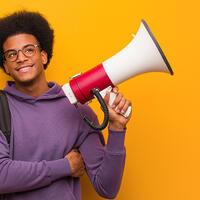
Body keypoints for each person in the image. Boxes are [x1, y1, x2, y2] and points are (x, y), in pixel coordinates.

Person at [0, 10, 132, 199]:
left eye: (29, 49)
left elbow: (107, 187)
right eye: (12, 54)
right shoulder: (2, 108)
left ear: (43, 56)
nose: (21, 58)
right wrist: (64, 166)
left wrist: (117, 128)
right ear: (5, 66)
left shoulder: (78, 111)